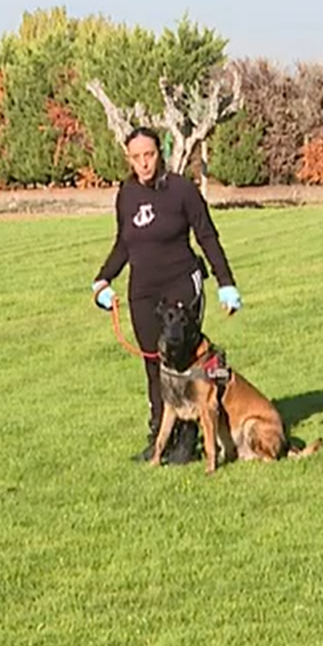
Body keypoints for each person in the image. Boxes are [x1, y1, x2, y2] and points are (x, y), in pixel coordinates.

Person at [92, 127, 242, 464]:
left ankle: (189, 439)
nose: (144, 163)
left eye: (149, 155)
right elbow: (124, 244)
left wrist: (226, 283)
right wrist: (102, 279)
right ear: (128, 159)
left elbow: (207, 236)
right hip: (144, 292)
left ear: (160, 153)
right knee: (153, 364)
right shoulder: (126, 194)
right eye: (136, 157)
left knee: (185, 363)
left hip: (180, 285)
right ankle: (159, 434)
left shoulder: (181, 190)